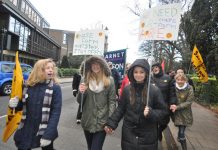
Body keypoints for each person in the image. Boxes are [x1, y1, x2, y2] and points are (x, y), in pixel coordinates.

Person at [104, 59, 168, 150]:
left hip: (148, 136)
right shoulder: (127, 89)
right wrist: (111, 124)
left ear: (146, 73)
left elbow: (163, 112)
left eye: (141, 72)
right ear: (132, 73)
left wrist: (151, 113)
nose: (138, 75)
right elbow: (120, 109)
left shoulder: (154, 91)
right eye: (136, 72)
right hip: (129, 133)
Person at [8, 58, 62, 150]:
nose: (51, 70)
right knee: (23, 147)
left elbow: (55, 113)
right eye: (47, 68)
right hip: (26, 128)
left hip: (45, 128)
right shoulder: (28, 86)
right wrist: (14, 104)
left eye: (52, 68)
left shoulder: (55, 88)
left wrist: (48, 135)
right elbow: (22, 107)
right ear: (39, 70)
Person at [77, 56, 116, 150]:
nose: (95, 66)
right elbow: (79, 101)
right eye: (93, 64)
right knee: (90, 147)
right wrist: (81, 92)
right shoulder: (84, 79)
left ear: (102, 65)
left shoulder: (109, 80)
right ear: (90, 66)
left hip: (102, 122)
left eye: (98, 63)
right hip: (87, 120)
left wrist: (111, 122)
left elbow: (112, 102)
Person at [151, 62, 177, 141]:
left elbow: (172, 93)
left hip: (164, 105)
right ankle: (154, 138)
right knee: (153, 123)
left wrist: (172, 103)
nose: (155, 69)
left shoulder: (168, 78)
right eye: (153, 68)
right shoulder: (150, 78)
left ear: (160, 68)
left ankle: (159, 131)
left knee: (165, 122)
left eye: (156, 67)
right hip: (153, 105)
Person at [170, 73, 194, 150]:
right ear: (175, 79)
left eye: (182, 80)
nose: (180, 81)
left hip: (185, 114)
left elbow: (189, 102)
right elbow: (169, 96)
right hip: (175, 113)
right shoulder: (173, 87)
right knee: (179, 128)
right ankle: (179, 137)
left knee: (181, 132)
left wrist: (177, 107)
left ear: (185, 80)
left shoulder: (189, 88)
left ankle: (184, 147)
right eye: (178, 79)